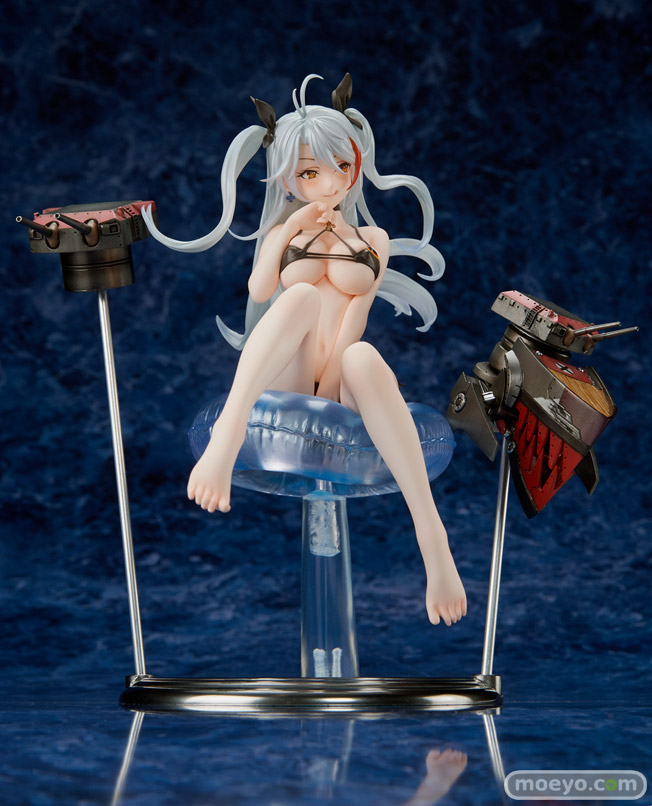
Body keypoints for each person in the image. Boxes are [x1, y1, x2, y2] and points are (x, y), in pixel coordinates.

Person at [142, 74, 466, 626]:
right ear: (289, 178)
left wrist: (332, 381)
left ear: (356, 165)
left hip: (339, 377)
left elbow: (357, 317)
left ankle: (432, 539)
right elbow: (258, 292)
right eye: (310, 172)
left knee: (363, 355)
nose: (329, 182)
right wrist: (291, 225)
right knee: (299, 299)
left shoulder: (373, 241)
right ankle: (227, 436)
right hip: (285, 374)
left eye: (341, 166)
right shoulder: (285, 234)